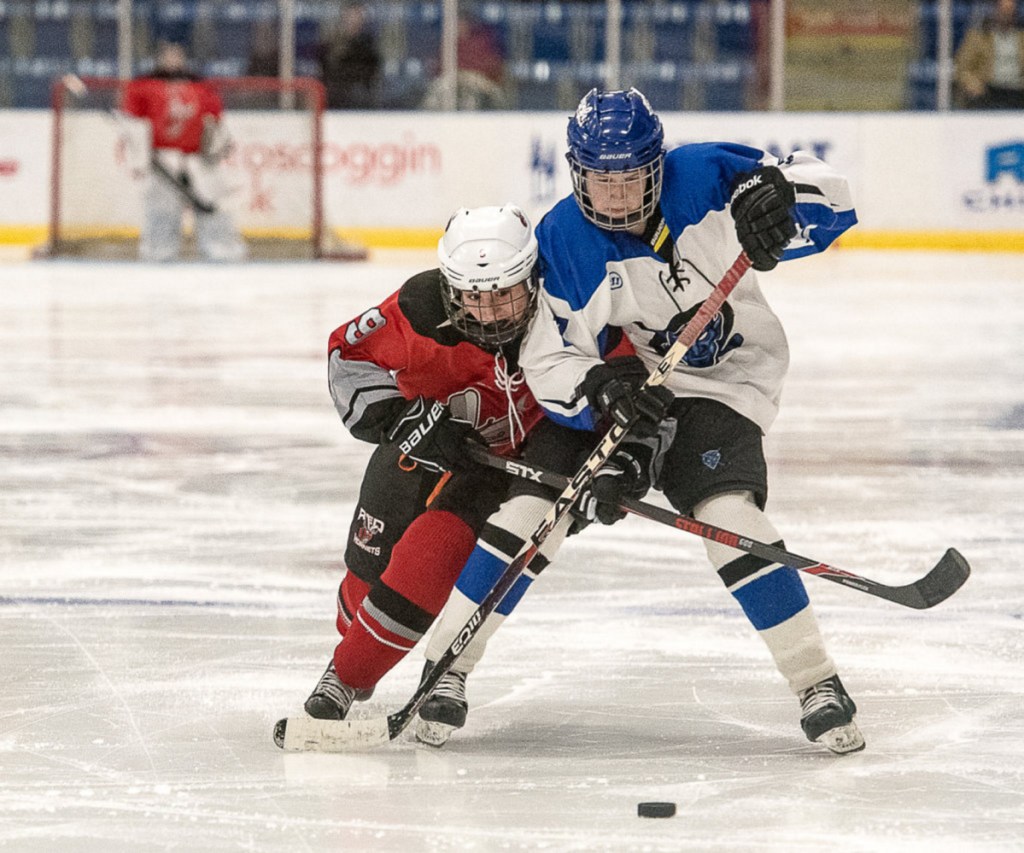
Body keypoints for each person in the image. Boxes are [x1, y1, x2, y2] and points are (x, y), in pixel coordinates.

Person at [418, 87, 865, 756]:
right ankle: (444, 669)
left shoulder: (708, 175)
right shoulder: (564, 241)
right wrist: (600, 391)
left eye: (630, 176)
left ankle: (815, 680)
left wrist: (779, 205)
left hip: (728, 385)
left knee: (730, 517)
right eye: (601, 177)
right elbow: (550, 359)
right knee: (536, 505)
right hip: (632, 388)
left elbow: (834, 202)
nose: (618, 193)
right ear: (577, 171)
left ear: (656, 166)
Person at [299, 204, 633, 722]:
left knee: (440, 557)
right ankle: (350, 662)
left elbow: (625, 374)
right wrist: (403, 421)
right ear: (451, 289)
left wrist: (617, 461)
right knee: (362, 591)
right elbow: (348, 354)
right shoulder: (417, 307)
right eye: (475, 298)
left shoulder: (565, 304)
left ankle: (440, 672)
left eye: (504, 294)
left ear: (532, 278)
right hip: (424, 454)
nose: (492, 312)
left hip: (518, 466)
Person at [121, 42, 246, 262]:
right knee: (161, 211)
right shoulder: (142, 85)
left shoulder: (201, 86)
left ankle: (222, 254)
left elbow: (215, 123)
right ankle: (157, 255)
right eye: (168, 56)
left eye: (177, 55)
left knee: (213, 206)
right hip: (162, 159)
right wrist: (140, 158)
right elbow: (135, 125)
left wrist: (215, 150)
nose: (173, 60)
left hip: (199, 159)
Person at [954, 0, 1024, 109]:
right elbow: (961, 68)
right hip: (988, 90)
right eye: (1003, 11)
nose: (1007, 15)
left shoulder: (1021, 38)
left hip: (1018, 90)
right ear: (995, 11)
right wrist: (972, 83)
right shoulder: (978, 37)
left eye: (1010, 11)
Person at [316, 2, 381, 109]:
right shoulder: (331, 44)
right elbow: (327, 70)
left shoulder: (368, 44)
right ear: (344, 17)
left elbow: (372, 72)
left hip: (361, 101)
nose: (354, 19)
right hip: (336, 100)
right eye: (351, 15)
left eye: (358, 15)